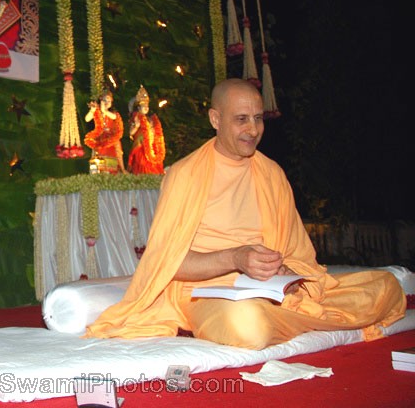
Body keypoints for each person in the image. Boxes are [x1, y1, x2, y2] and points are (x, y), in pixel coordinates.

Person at [87, 78, 405, 349]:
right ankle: (287, 320)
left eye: (258, 118)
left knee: (387, 286)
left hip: (272, 290)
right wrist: (237, 259)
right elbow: (168, 262)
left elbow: (296, 252)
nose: (253, 130)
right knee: (247, 326)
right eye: (241, 119)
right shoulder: (185, 175)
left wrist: (290, 277)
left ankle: (286, 315)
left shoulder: (272, 173)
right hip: (207, 294)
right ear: (215, 119)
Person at [84, 89, 126, 174]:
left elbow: (114, 117)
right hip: (99, 138)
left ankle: (121, 169)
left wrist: (104, 111)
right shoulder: (97, 111)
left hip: (111, 140)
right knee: (98, 161)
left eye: (109, 101)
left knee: (116, 145)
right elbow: (87, 119)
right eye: (105, 100)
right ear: (101, 101)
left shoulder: (113, 113)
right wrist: (92, 111)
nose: (107, 103)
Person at [127, 85, 165, 174]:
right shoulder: (136, 117)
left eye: (147, 106)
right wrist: (136, 126)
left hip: (151, 146)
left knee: (154, 167)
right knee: (142, 166)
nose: (146, 108)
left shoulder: (151, 119)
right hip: (141, 146)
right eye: (144, 106)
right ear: (139, 108)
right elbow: (131, 133)